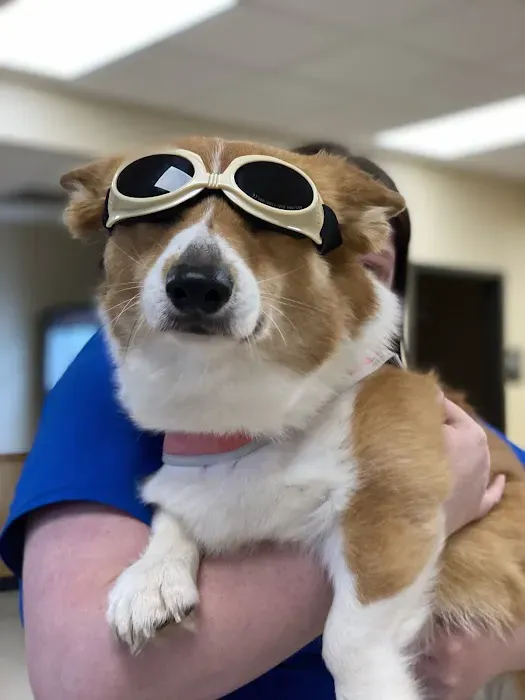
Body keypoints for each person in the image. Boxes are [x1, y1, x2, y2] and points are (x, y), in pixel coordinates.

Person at [0, 142, 523, 700]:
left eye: (369, 271)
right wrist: (413, 520)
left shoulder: (405, 399)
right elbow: (78, 680)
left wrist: (505, 646)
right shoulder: (122, 375)